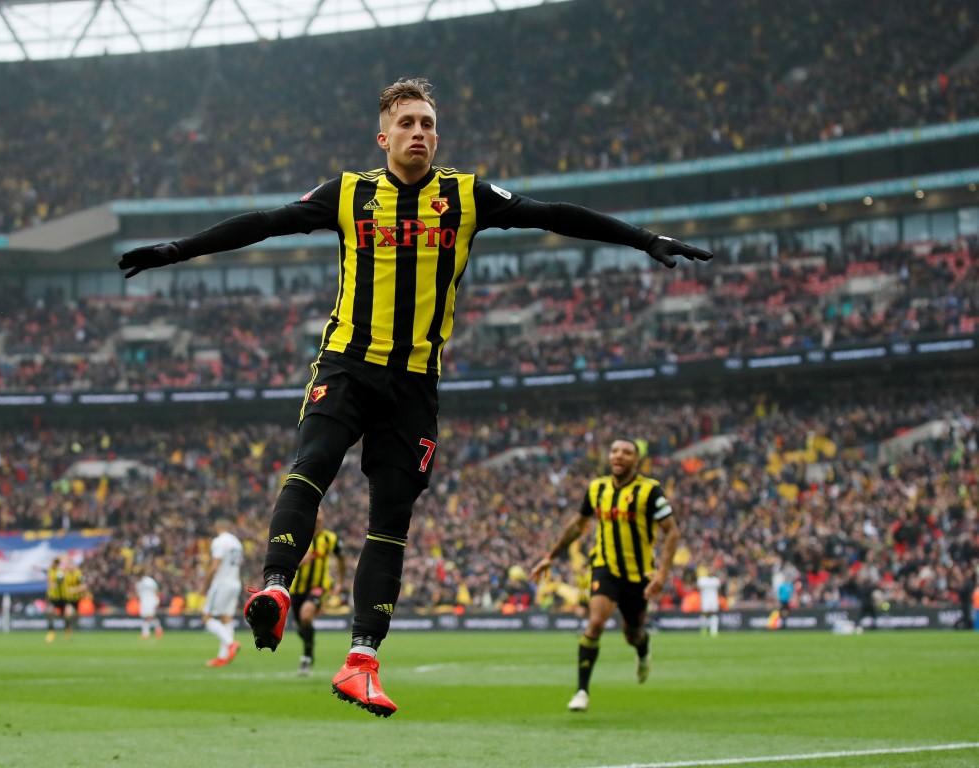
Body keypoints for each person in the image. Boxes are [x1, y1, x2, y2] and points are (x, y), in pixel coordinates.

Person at [118, 77, 712, 717]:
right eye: (408, 123)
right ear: (384, 137)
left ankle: (360, 663)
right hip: (348, 363)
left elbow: (554, 214)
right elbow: (265, 223)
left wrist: (643, 238)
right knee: (311, 466)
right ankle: (276, 588)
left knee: (390, 523)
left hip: (414, 385)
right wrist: (179, 249)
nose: (421, 133)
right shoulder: (349, 194)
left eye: (429, 123)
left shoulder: (465, 195)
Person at [529, 437, 681, 713]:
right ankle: (582, 691)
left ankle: (643, 649)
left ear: (636, 460)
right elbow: (578, 525)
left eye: (626, 452)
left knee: (632, 633)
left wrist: (662, 574)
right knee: (596, 623)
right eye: (614, 451)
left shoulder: (650, 491)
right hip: (605, 567)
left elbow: (672, 531)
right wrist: (550, 556)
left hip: (638, 574)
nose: (619, 456)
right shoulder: (597, 488)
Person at [290, 508, 347, 676]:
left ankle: (307, 657)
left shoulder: (331, 539)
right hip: (296, 588)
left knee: (306, 614)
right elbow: (285, 559)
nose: (317, 520)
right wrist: (298, 561)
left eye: (320, 516)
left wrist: (341, 582)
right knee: (302, 627)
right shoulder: (298, 537)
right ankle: (309, 643)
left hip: (320, 586)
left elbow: (341, 559)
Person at [201, 518, 244, 667]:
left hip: (222, 583)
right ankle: (223, 656)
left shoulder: (219, 541)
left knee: (207, 617)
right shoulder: (237, 543)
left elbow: (215, 566)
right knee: (226, 619)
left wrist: (205, 583)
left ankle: (231, 644)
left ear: (217, 526)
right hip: (235, 582)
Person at [46, 556, 86, 642]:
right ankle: (51, 631)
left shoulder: (78, 573)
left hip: (71, 599)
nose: (69, 566)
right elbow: (53, 580)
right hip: (58, 598)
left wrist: (74, 590)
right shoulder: (60, 573)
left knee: (69, 615)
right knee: (50, 611)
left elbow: (84, 585)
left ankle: (68, 628)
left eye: (70, 564)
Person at [135, 566, 164, 640]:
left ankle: (150, 632)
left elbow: (155, 590)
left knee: (150, 616)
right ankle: (153, 631)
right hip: (143, 601)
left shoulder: (149, 581)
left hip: (151, 600)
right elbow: (138, 593)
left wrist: (157, 600)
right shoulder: (138, 583)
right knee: (146, 617)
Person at [696, 567, 722, 637]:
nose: (711, 572)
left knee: (714, 614)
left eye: (712, 570)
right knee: (704, 614)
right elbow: (698, 589)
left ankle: (714, 631)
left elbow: (719, 591)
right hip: (705, 599)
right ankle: (704, 629)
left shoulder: (716, 580)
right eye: (710, 570)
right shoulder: (702, 580)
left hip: (714, 600)